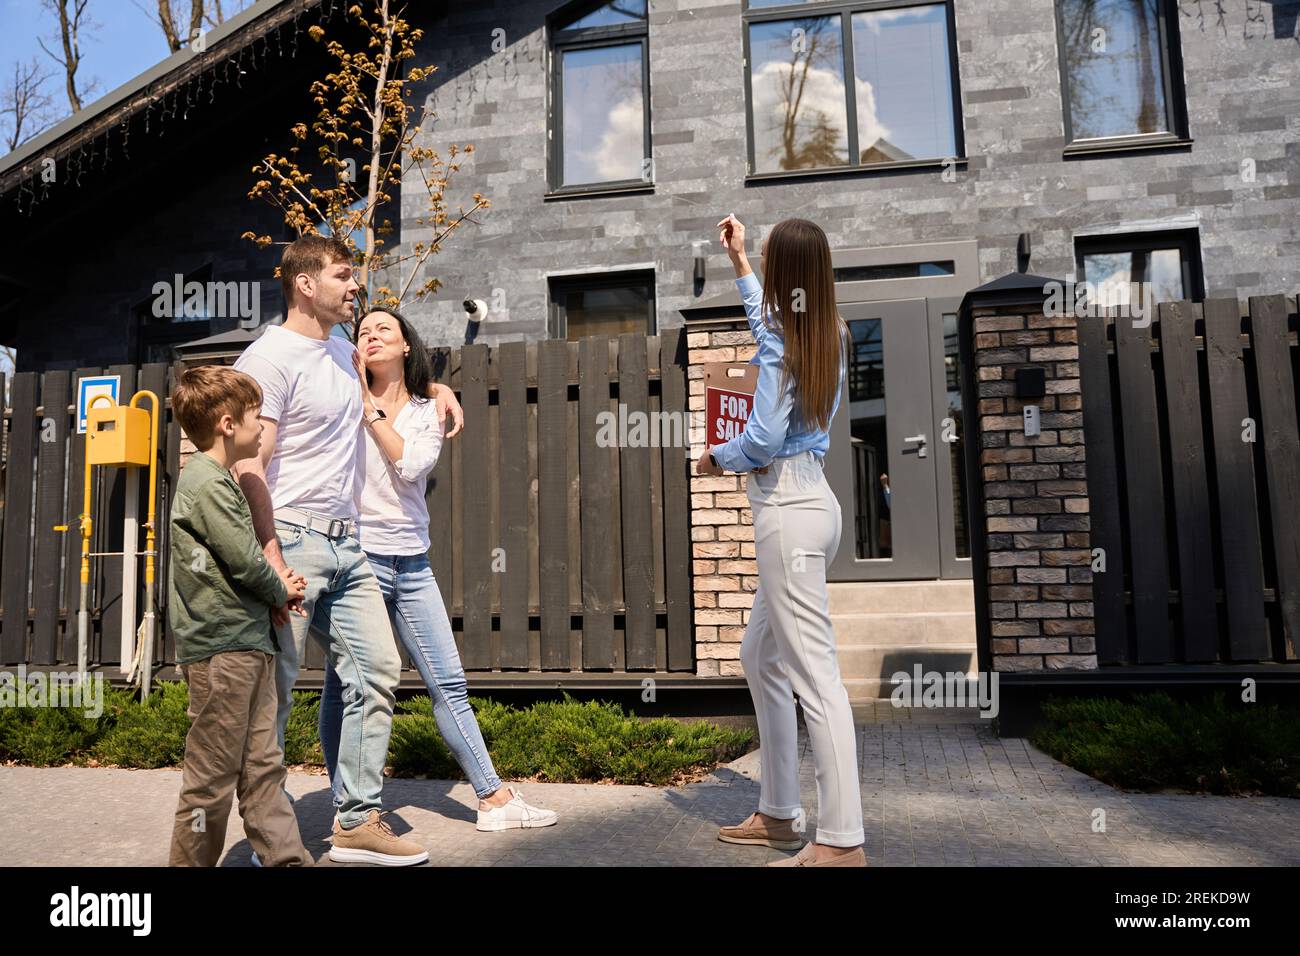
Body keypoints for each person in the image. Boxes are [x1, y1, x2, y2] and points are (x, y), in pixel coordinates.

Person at [232, 233, 463, 866]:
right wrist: (270, 552)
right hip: (294, 538)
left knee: (377, 671)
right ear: (305, 283)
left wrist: (437, 388)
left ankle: (356, 821)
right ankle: (269, 837)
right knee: (274, 697)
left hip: (348, 541)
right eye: (342, 275)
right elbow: (252, 461)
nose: (355, 286)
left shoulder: (339, 347)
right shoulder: (268, 359)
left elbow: (388, 388)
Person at [317, 306, 558, 832]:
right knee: (346, 684)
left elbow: (410, 464)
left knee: (448, 683)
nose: (371, 335)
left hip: (411, 563)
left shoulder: (428, 410)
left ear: (406, 346)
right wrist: (360, 400)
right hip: (358, 559)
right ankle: (348, 806)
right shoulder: (340, 395)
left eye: (384, 329)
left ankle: (492, 797)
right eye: (363, 331)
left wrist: (408, 398)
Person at [701, 214, 866, 867]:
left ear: (787, 272)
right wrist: (738, 259)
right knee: (760, 656)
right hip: (816, 504)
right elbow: (765, 323)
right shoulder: (832, 331)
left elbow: (763, 440)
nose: (762, 267)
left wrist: (718, 456)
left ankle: (842, 842)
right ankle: (777, 812)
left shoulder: (782, 337)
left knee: (814, 677)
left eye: (767, 258)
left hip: (785, 510)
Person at [166, 365, 313, 867]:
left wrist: (275, 594)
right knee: (210, 779)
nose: (262, 427)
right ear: (228, 424)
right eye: (256, 416)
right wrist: (281, 588)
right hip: (223, 649)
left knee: (263, 770)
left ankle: (288, 861)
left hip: (249, 645)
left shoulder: (218, 479)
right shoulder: (205, 481)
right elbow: (244, 559)